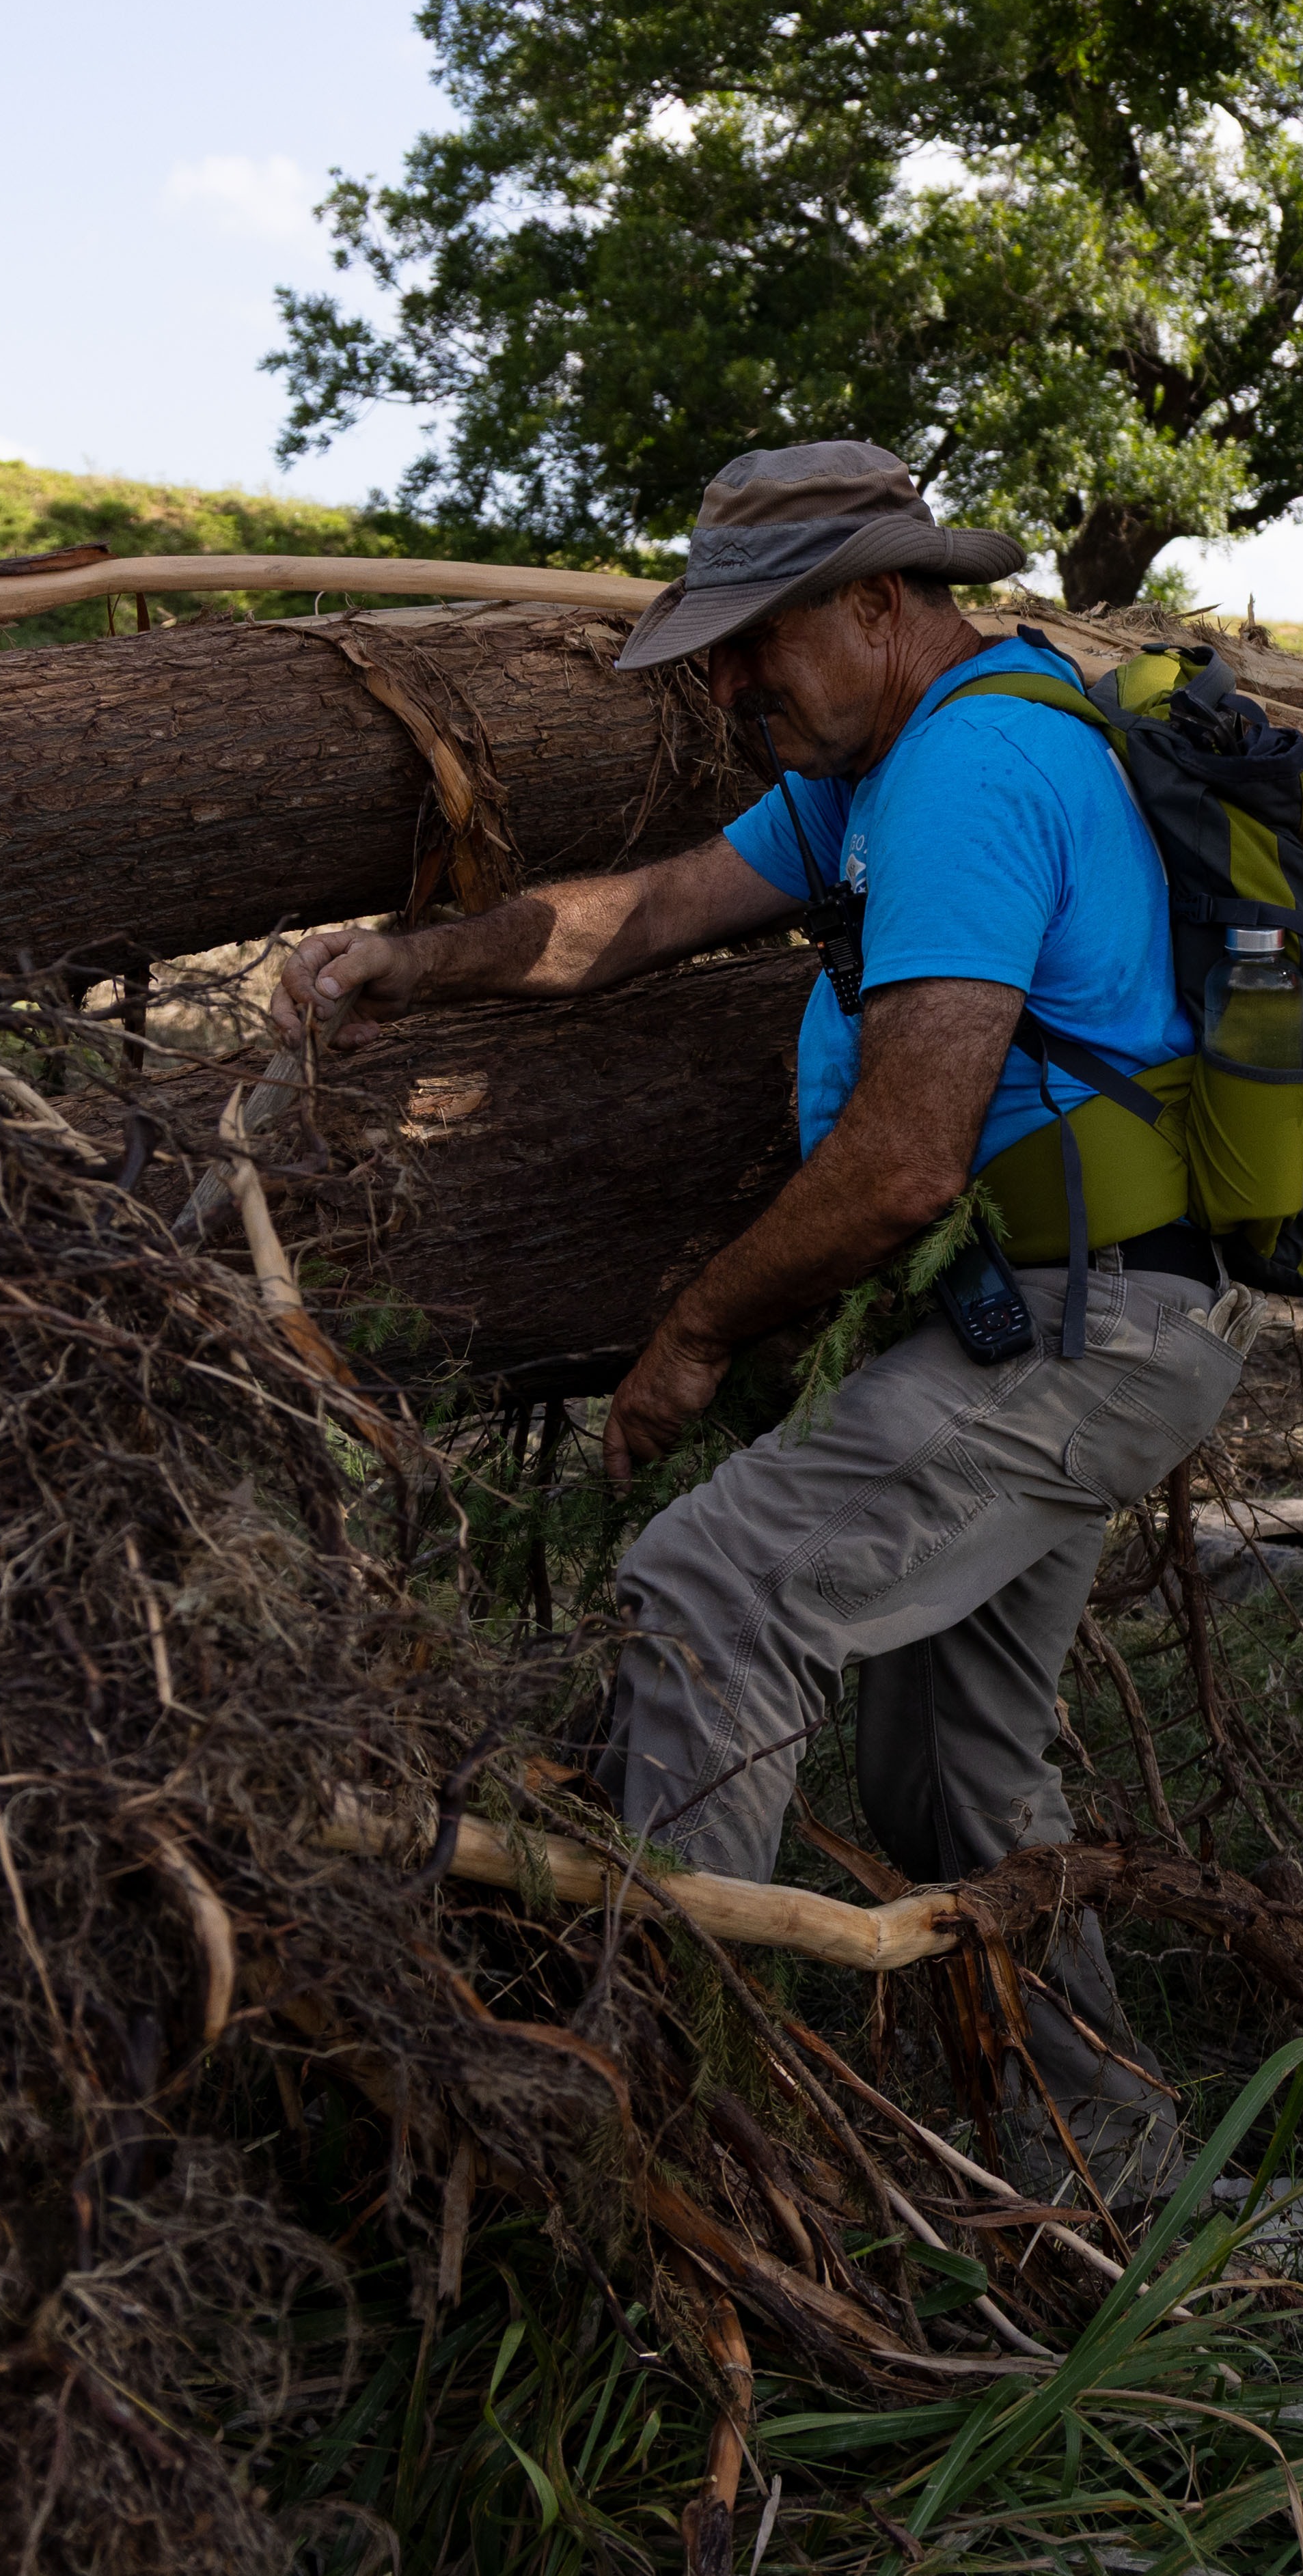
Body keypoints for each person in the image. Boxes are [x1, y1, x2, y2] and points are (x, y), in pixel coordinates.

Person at [271, 439, 1240, 2190]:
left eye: (756, 639)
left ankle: (656, 2138)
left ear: (881, 604)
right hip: (1066, 1323)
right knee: (956, 1781)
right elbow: (637, 917)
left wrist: (698, 1333)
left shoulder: (974, 769)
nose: (728, 681)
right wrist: (412, 963)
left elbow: (901, 1163)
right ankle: (1117, 2178)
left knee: (713, 1585)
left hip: (1081, 1327)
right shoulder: (874, 769)